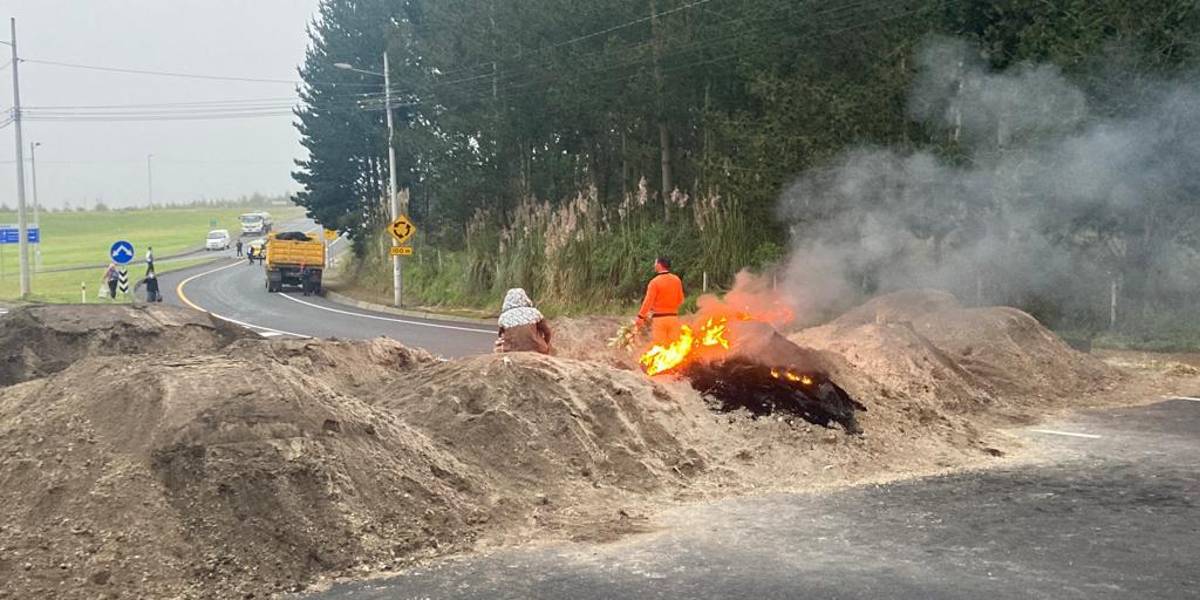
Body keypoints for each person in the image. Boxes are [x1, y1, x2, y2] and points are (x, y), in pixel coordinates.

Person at [635, 256, 685, 345]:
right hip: (674, 318)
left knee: (660, 347)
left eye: (655, 263)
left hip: (659, 319)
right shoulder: (677, 280)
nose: (654, 266)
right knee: (674, 346)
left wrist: (641, 316)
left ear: (659, 265)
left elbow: (648, 301)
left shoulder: (654, 282)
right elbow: (681, 300)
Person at [496, 288, 552, 354]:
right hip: (538, 349)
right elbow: (547, 332)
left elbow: (500, 335)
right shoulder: (534, 313)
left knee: (497, 346)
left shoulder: (503, 317)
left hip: (511, 351)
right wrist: (545, 344)